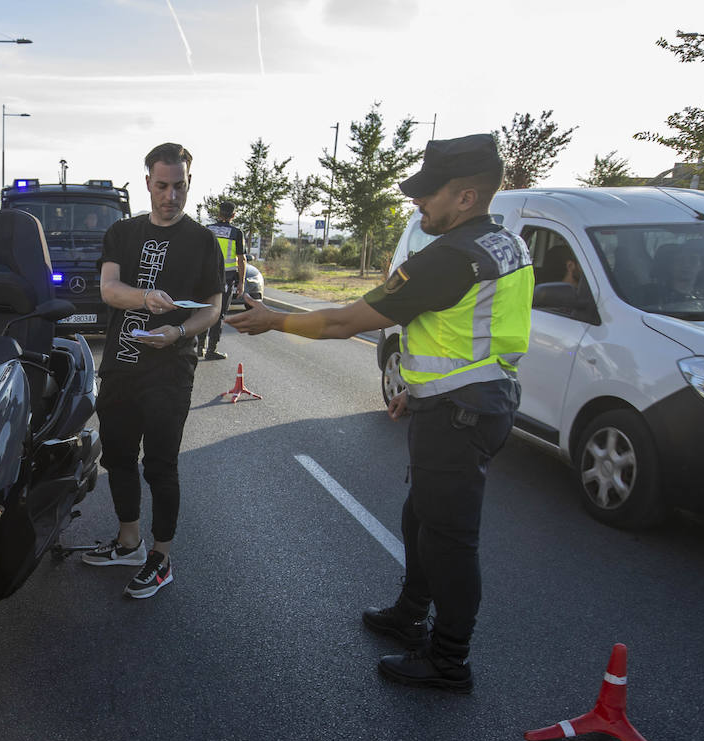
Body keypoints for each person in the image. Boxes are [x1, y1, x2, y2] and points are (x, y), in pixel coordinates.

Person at [228, 134, 532, 692]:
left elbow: (348, 321)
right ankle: (410, 612)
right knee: (421, 517)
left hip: (461, 413)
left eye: (427, 194)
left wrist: (275, 320)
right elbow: (469, 334)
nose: (418, 204)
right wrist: (416, 390)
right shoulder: (504, 244)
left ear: (466, 196)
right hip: (466, 399)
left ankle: (448, 659)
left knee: (449, 538)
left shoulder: (449, 258)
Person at [84, 142, 224, 599]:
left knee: (160, 465)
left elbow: (214, 308)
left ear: (189, 183)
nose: (171, 195)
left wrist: (179, 333)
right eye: (162, 186)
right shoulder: (122, 233)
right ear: (147, 182)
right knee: (119, 457)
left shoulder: (203, 241)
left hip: (171, 369)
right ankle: (129, 542)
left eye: (179, 186)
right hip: (121, 366)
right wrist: (146, 299)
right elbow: (108, 289)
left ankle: (161, 557)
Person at [200, 201, 246, 360]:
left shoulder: (208, 229)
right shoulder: (236, 233)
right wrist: (241, 282)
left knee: (204, 309)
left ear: (218, 214)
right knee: (218, 313)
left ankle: (200, 347)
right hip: (225, 278)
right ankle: (211, 350)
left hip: (206, 276)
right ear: (233, 215)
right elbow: (241, 259)